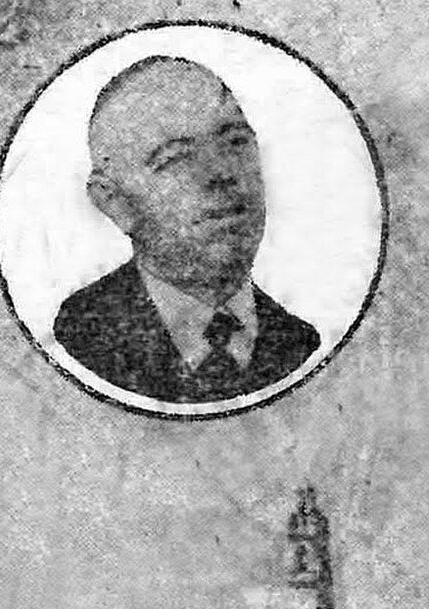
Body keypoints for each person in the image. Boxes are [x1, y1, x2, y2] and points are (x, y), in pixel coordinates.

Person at [53, 56, 319, 404]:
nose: (222, 173)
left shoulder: (301, 344)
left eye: (236, 141)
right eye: (175, 158)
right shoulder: (77, 339)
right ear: (115, 204)